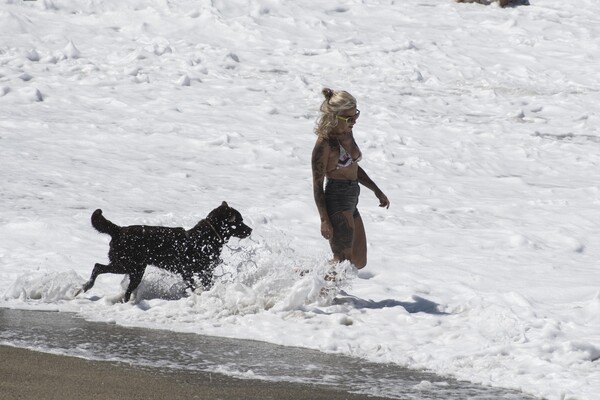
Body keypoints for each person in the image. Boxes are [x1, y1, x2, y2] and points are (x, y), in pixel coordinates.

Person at [311, 88, 390, 269]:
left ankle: (310, 279)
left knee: (358, 261)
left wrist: (376, 190)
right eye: (349, 118)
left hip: (352, 197)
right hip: (337, 199)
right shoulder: (325, 144)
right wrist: (324, 219)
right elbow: (317, 185)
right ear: (334, 116)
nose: (354, 121)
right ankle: (315, 293)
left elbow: (352, 166)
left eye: (356, 116)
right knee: (343, 261)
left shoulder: (347, 131)